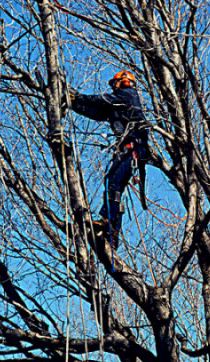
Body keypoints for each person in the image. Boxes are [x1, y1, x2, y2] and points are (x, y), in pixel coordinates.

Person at [63, 71, 149, 249]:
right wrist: (73, 103)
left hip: (130, 148)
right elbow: (97, 112)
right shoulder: (119, 104)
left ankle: (109, 223)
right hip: (129, 149)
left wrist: (78, 96)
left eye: (114, 84)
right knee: (113, 185)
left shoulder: (128, 95)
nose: (113, 87)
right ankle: (111, 231)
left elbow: (102, 100)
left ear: (123, 82)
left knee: (112, 183)